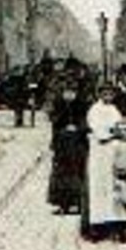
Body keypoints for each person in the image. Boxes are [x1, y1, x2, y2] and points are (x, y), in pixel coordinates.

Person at [83, 88, 126, 241]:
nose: (108, 97)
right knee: (98, 186)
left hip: (111, 151)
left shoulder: (114, 109)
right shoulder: (95, 109)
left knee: (112, 186)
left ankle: (112, 222)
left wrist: (116, 132)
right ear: (99, 95)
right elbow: (96, 130)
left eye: (110, 95)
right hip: (99, 152)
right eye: (105, 94)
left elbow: (119, 126)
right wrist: (108, 133)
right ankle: (96, 225)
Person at [47, 72, 90, 216]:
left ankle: (78, 202)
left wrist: (78, 127)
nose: (69, 94)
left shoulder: (83, 103)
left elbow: (86, 120)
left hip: (78, 142)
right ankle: (62, 203)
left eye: (72, 91)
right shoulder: (59, 102)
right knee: (61, 172)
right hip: (62, 142)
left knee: (78, 170)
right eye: (67, 91)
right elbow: (53, 120)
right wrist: (59, 132)